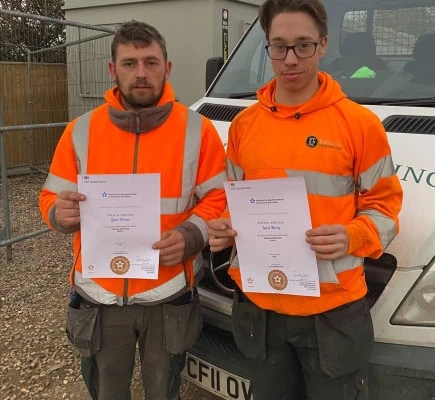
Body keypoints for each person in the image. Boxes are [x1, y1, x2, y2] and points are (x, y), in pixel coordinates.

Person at [207, 1, 403, 399]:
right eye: (279, 46)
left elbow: (385, 209)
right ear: (267, 48)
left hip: (331, 311)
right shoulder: (245, 126)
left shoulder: (359, 125)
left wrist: (351, 236)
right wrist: (225, 227)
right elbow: (234, 197)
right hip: (259, 306)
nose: (290, 59)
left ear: (323, 45)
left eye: (303, 46)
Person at [39, 20, 227, 400]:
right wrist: (60, 215)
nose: (141, 73)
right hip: (100, 297)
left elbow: (220, 199)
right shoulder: (80, 131)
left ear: (167, 68)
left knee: (164, 392)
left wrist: (193, 235)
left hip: (167, 294)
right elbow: (50, 199)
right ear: (113, 70)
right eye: (129, 63)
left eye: (151, 62)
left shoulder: (198, 130)